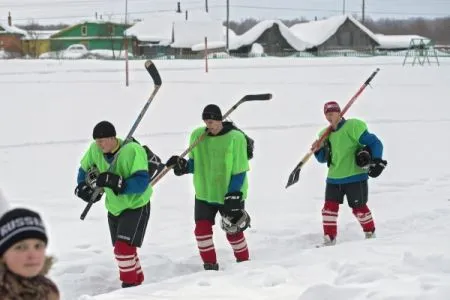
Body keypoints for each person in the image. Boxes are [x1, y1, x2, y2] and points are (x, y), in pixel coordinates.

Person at [165, 104, 251, 271]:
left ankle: (244, 264)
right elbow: (194, 164)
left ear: (220, 120)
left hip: (229, 193)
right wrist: (182, 166)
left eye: (211, 122)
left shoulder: (236, 138)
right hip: (205, 193)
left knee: (233, 231)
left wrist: (234, 193)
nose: (209, 126)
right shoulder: (198, 135)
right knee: (201, 231)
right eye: (206, 122)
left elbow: (240, 169)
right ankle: (210, 266)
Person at [74, 121, 152, 288]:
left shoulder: (132, 151)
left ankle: (129, 286)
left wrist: (117, 183)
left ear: (112, 138)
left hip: (136, 205)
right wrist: (83, 187)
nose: (98, 144)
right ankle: (138, 283)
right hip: (114, 207)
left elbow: (142, 183)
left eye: (102, 140)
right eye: (96, 141)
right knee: (125, 250)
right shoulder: (95, 149)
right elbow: (83, 169)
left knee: (123, 249)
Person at [312, 101, 387, 246]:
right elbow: (322, 159)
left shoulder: (352, 127)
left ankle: (370, 233)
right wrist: (318, 149)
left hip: (355, 176)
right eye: (327, 113)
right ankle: (329, 238)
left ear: (339, 113)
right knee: (328, 210)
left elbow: (375, 142)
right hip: (334, 178)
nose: (329, 116)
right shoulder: (324, 135)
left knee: (359, 209)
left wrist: (377, 160)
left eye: (332, 113)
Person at [0, 206, 60, 299]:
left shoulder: (48, 290)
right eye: (20, 247)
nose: (32, 255)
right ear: (3, 255)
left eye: (38, 246)